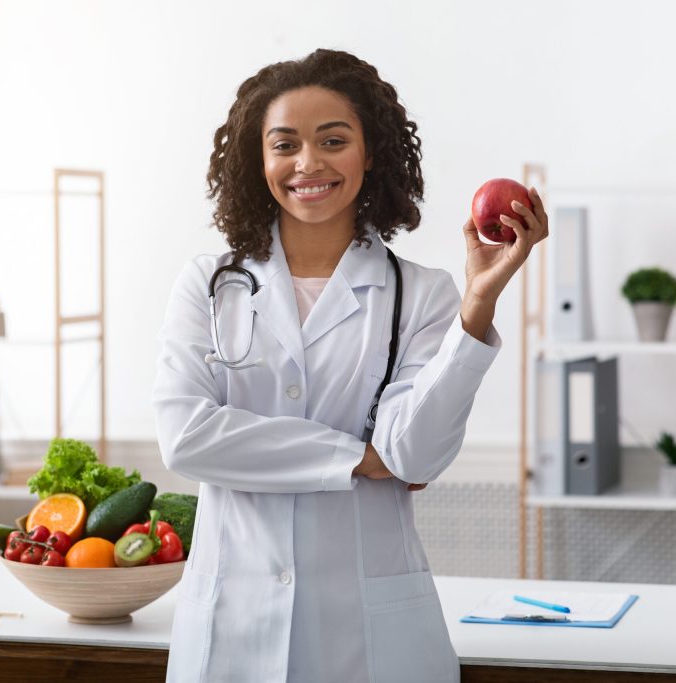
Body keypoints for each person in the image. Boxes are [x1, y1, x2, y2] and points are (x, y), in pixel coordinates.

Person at [153, 48, 548, 683]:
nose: (308, 163)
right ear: (259, 162)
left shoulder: (424, 294)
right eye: (285, 145)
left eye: (333, 140)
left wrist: (478, 305)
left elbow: (414, 455)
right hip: (233, 628)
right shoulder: (208, 284)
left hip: (371, 638)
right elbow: (187, 438)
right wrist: (360, 458)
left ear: (370, 154)